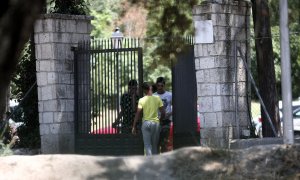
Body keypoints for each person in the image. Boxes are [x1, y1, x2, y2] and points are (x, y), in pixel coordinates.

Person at [132, 82, 165, 156]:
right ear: (151, 88)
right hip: (155, 124)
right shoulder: (157, 98)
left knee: (147, 146)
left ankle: (149, 163)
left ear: (144, 90)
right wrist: (160, 120)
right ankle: (155, 164)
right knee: (155, 146)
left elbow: (137, 113)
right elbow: (163, 112)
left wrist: (134, 126)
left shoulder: (141, 100)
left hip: (146, 123)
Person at [153, 77, 173, 153]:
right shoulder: (153, 96)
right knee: (156, 143)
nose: (160, 87)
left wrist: (170, 113)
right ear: (156, 86)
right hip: (156, 121)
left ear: (164, 85)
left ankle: (164, 159)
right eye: (158, 85)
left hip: (166, 121)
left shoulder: (170, 95)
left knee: (164, 143)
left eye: (162, 86)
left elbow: (175, 105)